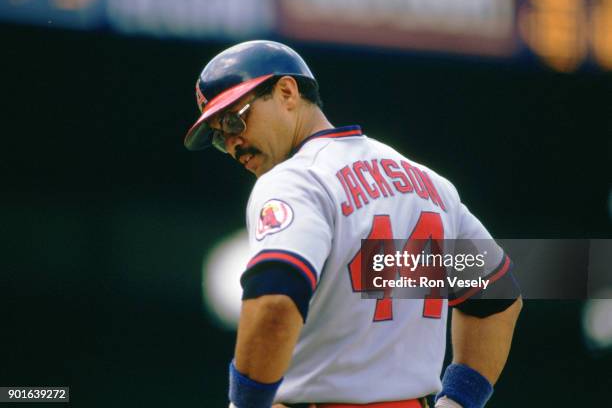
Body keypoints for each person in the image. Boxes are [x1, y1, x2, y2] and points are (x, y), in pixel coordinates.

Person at [184, 40, 522, 408]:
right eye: (220, 136)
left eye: (235, 119)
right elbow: (498, 293)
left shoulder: (296, 181)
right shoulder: (429, 185)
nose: (233, 142)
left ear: (287, 92)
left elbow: (275, 301)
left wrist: (246, 404)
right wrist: (458, 401)